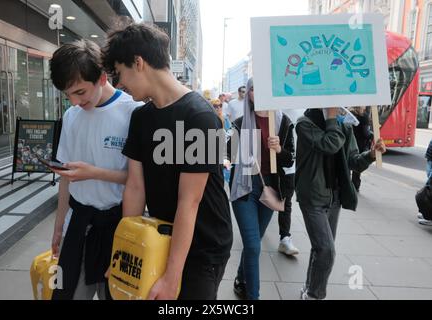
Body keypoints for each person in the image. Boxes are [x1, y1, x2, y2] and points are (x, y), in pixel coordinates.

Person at [102, 22, 233, 300]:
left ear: (138, 63)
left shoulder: (202, 118)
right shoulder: (140, 117)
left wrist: (172, 279)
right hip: (160, 237)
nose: (119, 83)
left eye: (120, 73)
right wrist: (125, 251)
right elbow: (135, 187)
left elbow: (190, 202)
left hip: (203, 245)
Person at [49, 39, 142, 300]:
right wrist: (58, 228)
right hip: (77, 225)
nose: (74, 102)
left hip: (119, 226)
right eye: (67, 95)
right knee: (64, 294)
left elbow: (139, 182)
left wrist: (95, 172)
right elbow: (66, 179)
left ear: (101, 78)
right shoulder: (71, 116)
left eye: (80, 92)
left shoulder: (133, 111)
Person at [295, 107, 386, 300]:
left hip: (334, 196)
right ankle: (314, 295)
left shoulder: (343, 125)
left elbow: (352, 160)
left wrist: (370, 154)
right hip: (312, 196)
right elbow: (330, 144)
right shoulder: (305, 123)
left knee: (321, 248)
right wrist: (332, 119)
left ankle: (309, 287)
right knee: (327, 249)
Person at [228, 78, 294, 300]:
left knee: (252, 243)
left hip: (270, 188)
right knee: (254, 245)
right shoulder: (239, 122)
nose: (256, 93)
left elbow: (289, 159)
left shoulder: (283, 123)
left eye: (260, 88)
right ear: (248, 95)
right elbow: (228, 155)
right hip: (244, 187)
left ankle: (241, 278)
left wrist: (279, 149)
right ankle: (253, 297)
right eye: (252, 89)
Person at [350, 107, 373, 192]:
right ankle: (355, 186)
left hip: (349, 143)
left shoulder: (349, 114)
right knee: (357, 167)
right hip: (359, 145)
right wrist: (372, 135)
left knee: (347, 166)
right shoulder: (364, 117)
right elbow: (366, 133)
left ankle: (346, 185)